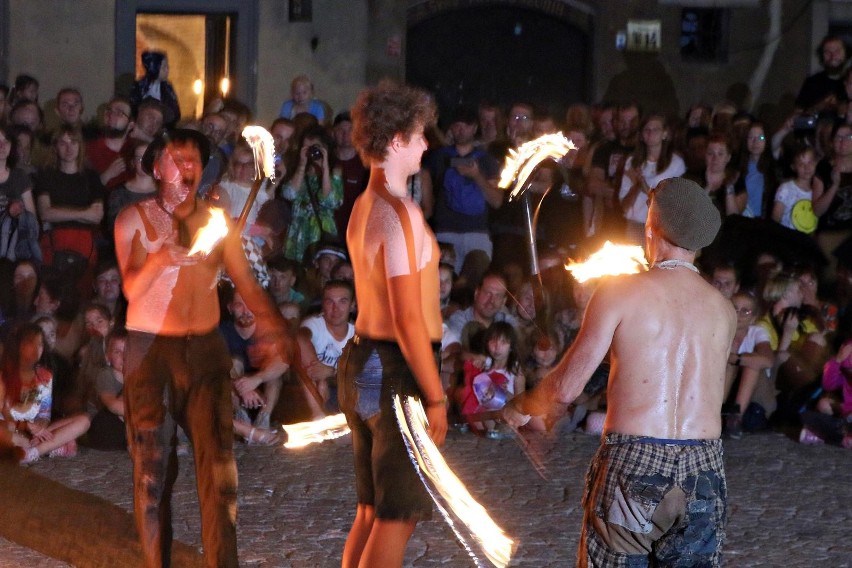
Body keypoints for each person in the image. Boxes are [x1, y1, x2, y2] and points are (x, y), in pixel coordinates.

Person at [504, 177, 734, 567]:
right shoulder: (723, 309)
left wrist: (524, 404)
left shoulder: (618, 292)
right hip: (704, 470)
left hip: (637, 463)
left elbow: (567, 387)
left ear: (651, 228)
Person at [113, 128, 292, 568]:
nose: (187, 168)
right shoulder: (132, 219)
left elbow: (247, 285)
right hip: (150, 350)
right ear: (157, 168)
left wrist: (277, 330)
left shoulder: (217, 223)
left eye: (195, 160)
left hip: (206, 352)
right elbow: (132, 289)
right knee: (152, 473)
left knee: (219, 472)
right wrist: (162, 258)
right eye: (177, 159)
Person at [340, 81, 447, 568]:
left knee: (371, 511)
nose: (427, 144)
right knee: (397, 514)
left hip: (363, 360)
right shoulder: (398, 212)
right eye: (421, 135)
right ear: (397, 140)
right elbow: (407, 318)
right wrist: (437, 398)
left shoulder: (364, 205)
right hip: (395, 369)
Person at [3, 323, 90, 464]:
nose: (37, 349)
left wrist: (40, 429)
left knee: (83, 420)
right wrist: (26, 426)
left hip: (32, 432)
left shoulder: (44, 375)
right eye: (31, 344)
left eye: (40, 345)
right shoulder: (4, 374)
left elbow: (44, 414)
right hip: (10, 429)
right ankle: (48, 447)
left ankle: (33, 452)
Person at [129, 50, 180, 127]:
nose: (167, 70)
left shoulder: (167, 89)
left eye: (167, 66)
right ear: (155, 67)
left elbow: (175, 113)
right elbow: (132, 109)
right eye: (164, 67)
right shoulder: (139, 87)